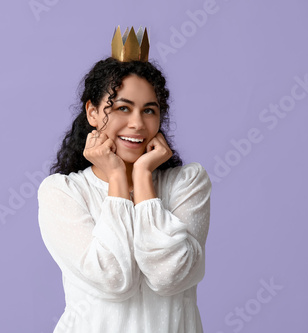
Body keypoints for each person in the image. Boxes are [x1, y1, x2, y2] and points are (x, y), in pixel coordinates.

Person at [37, 27, 212, 333]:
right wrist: (117, 178)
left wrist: (143, 178)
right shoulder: (63, 193)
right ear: (92, 112)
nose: (137, 124)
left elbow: (170, 275)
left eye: (149, 110)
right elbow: (114, 279)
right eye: (122, 108)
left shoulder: (187, 183)